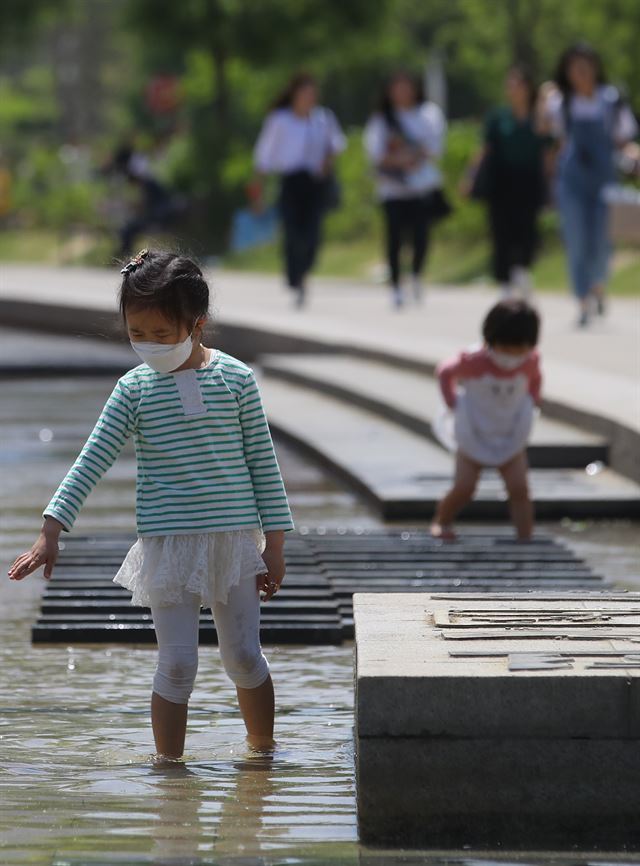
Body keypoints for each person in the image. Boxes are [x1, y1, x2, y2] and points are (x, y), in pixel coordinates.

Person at [8, 249, 294, 762]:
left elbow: (264, 467)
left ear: (197, 324)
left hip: (233, 542)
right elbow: (91, 459)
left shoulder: (237, 380)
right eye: (136, 334)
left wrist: (275, 545)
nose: (148, 345)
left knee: (243, 656)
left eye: (161, 334)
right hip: (166, 545)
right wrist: (51, 528)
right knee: (178, 662)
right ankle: (169, 775)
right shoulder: (133, 389)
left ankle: (262, 756)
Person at [431, 299, 542, 542]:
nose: (511, 358)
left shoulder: (530, 361)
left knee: (519, 489)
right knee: (464, 487)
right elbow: (444, 372)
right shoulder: (473, 361)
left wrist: (532, 400)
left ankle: (525, 536)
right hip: (474, 428)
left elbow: (535, 380)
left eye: (519, 351)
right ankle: (442, 521)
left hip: (509, 430)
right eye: (506, 350)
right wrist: (452, 402)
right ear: (490, 340)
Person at [544, 43, 638, 326]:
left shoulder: (611, 100)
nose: (581, 72)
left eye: (585, 65)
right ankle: (583, 299)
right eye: (575, 66)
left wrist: (633, 155)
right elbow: (548, 136)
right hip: (572, 181)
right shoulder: (560, 102)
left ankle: (598, 286)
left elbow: (624, 140)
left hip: (605, 180)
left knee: (601, 239)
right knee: (576, 239)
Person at [253, 73, 346, 308]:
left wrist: (327, 160)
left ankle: (304, 273)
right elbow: (265, 154)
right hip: (291, 181)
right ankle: (294, 274)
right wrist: (258, 186)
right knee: (293, 230)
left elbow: (336, 144)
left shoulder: (323, 119)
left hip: (315, 183)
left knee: (313, 233)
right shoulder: (280, 119)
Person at [364, 70, 447, 309]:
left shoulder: (428, 114)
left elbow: (436, 147)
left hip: (421, 185)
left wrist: (414, 155)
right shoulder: (382, 119)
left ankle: (417, 276)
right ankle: (396, 286)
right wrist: (398, 160)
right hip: (393, 188)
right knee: (394, 238)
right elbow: (376, 154)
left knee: (421, 236)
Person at [470, 64, 552, 299]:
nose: (514, 89)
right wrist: (471, 176)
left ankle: (523, 271)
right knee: (501, 232)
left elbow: (548, 150)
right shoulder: (497, 117)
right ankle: (504, 282)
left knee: (527, 230)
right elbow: (484, 149)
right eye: (511, 85)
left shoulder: (539, 116)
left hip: (529, 181)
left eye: (519, 84)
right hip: (501, 182)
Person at [107, 144, 186, 258]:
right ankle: (125, 256)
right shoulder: (150, 182)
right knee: (128, 228)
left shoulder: (147, 184)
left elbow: (144, 206)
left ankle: (125, 257)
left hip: (158, 219)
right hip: (159, 217)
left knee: (127, 230)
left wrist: (124, 207)